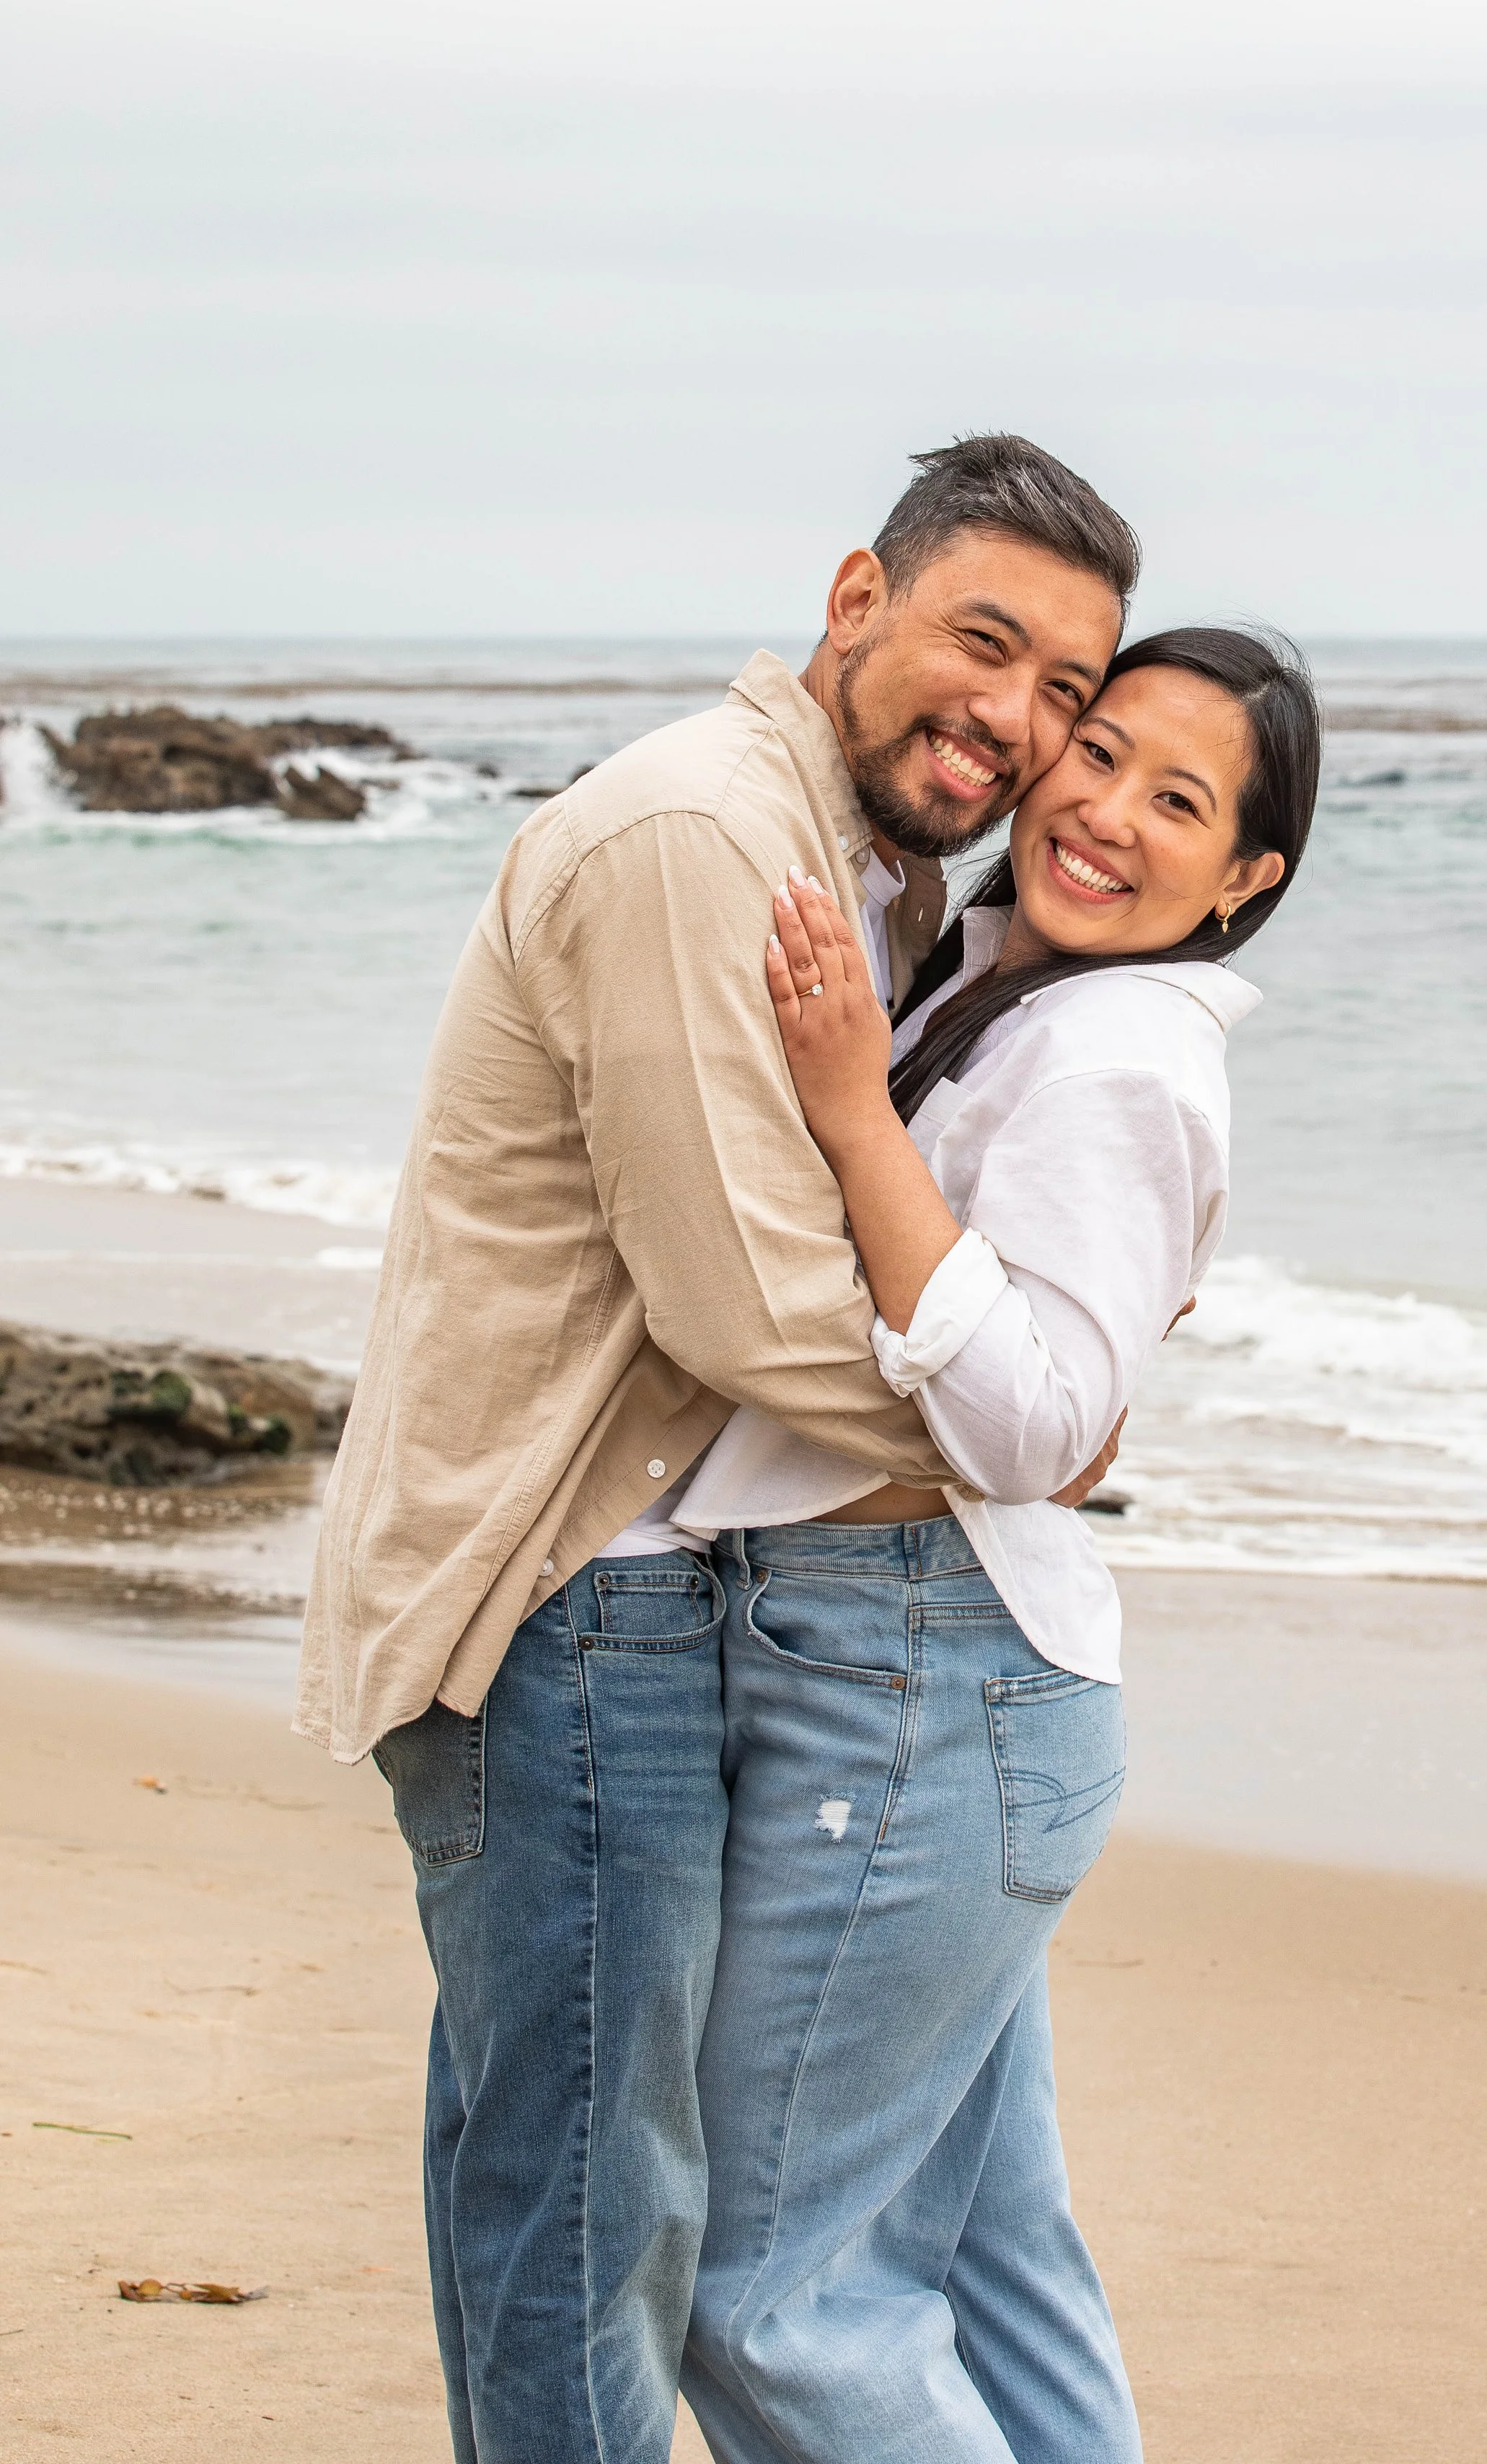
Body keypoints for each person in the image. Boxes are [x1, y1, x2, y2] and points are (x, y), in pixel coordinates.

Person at [294, 435, 1139, 2464]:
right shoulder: (697, 834)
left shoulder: (871, 866)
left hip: (682, 1605)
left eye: (1064, 696)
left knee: (581, 2166)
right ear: (857, 598)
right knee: (586, 2206)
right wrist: (1025, 1428)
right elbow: (740, 1302)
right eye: (981, 643)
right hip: (572, 1603)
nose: (1012, 723)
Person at [663, 627, 1322, 2463]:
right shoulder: (1003, 981)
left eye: (1175, 802)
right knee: (978, 2258)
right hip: (953, 1699)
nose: (1102, 813)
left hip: (917, 1702)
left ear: (1244, 878)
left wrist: (847, 1102)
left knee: (759, 2295)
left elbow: (1034, 1430)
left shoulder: (1116, 1051)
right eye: (1093, 752)